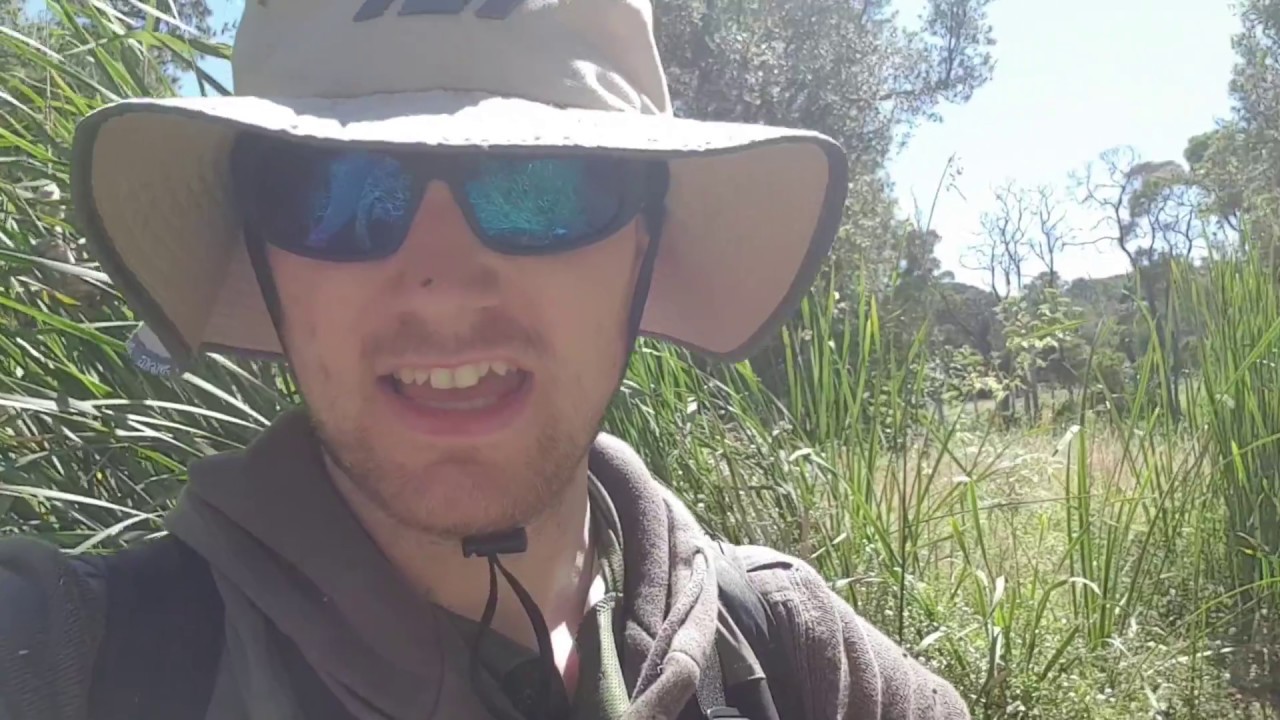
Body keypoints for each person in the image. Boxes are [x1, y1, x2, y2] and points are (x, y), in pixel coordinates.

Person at [0, 0, 971, 717]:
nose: (444, 285)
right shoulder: (83, 659)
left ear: (644, 244)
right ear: (266, 256)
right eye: (336, 189)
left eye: (538, 183)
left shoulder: (791, 658)